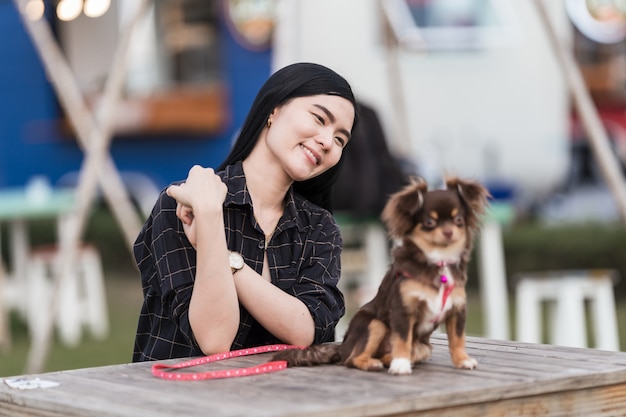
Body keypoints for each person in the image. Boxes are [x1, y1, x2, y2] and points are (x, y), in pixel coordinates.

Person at [133, 62, 357, 361]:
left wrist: (223, 257)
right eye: (318, 118)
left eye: (340, 139)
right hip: (181, 402)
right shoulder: (184, 203)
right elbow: (214, 339)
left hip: (283, 401)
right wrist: (211, 215)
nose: (328, 142)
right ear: (274, 110)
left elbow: (306, 331)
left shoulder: (318, 227)